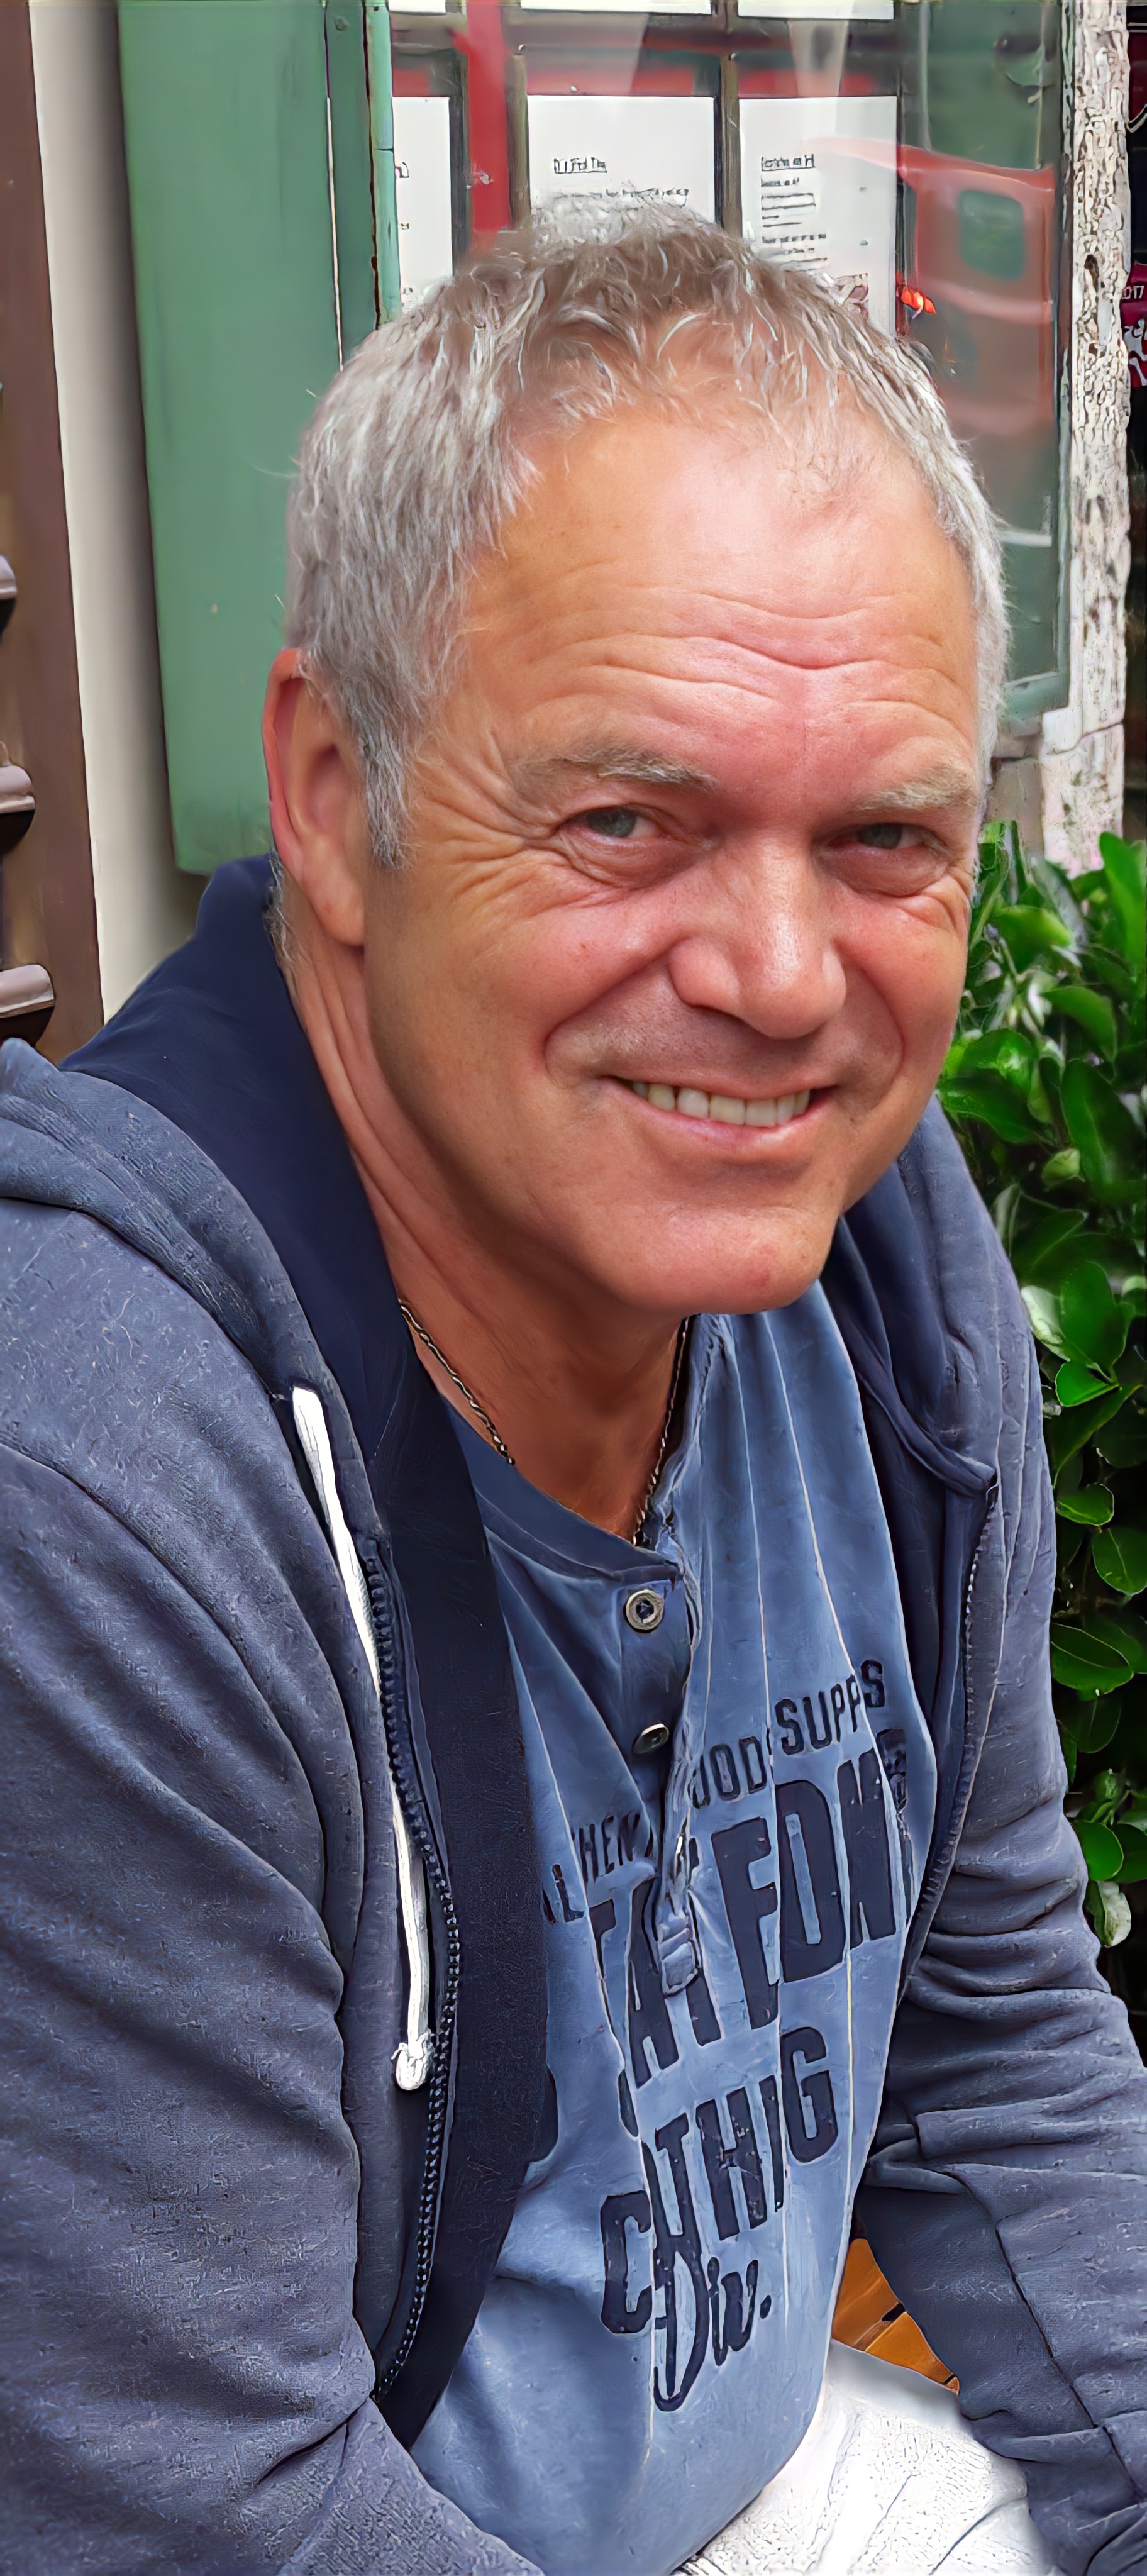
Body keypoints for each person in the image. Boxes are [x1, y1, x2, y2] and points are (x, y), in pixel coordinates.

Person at [1, 213, 1144, 2576]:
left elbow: (994, 2038)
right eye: (629, 819)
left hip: (737, 2476)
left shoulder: (888, 1270)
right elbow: (210, 2512)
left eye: (885, 839)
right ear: (335, 796)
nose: (782, 978)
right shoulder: (92, 1472)